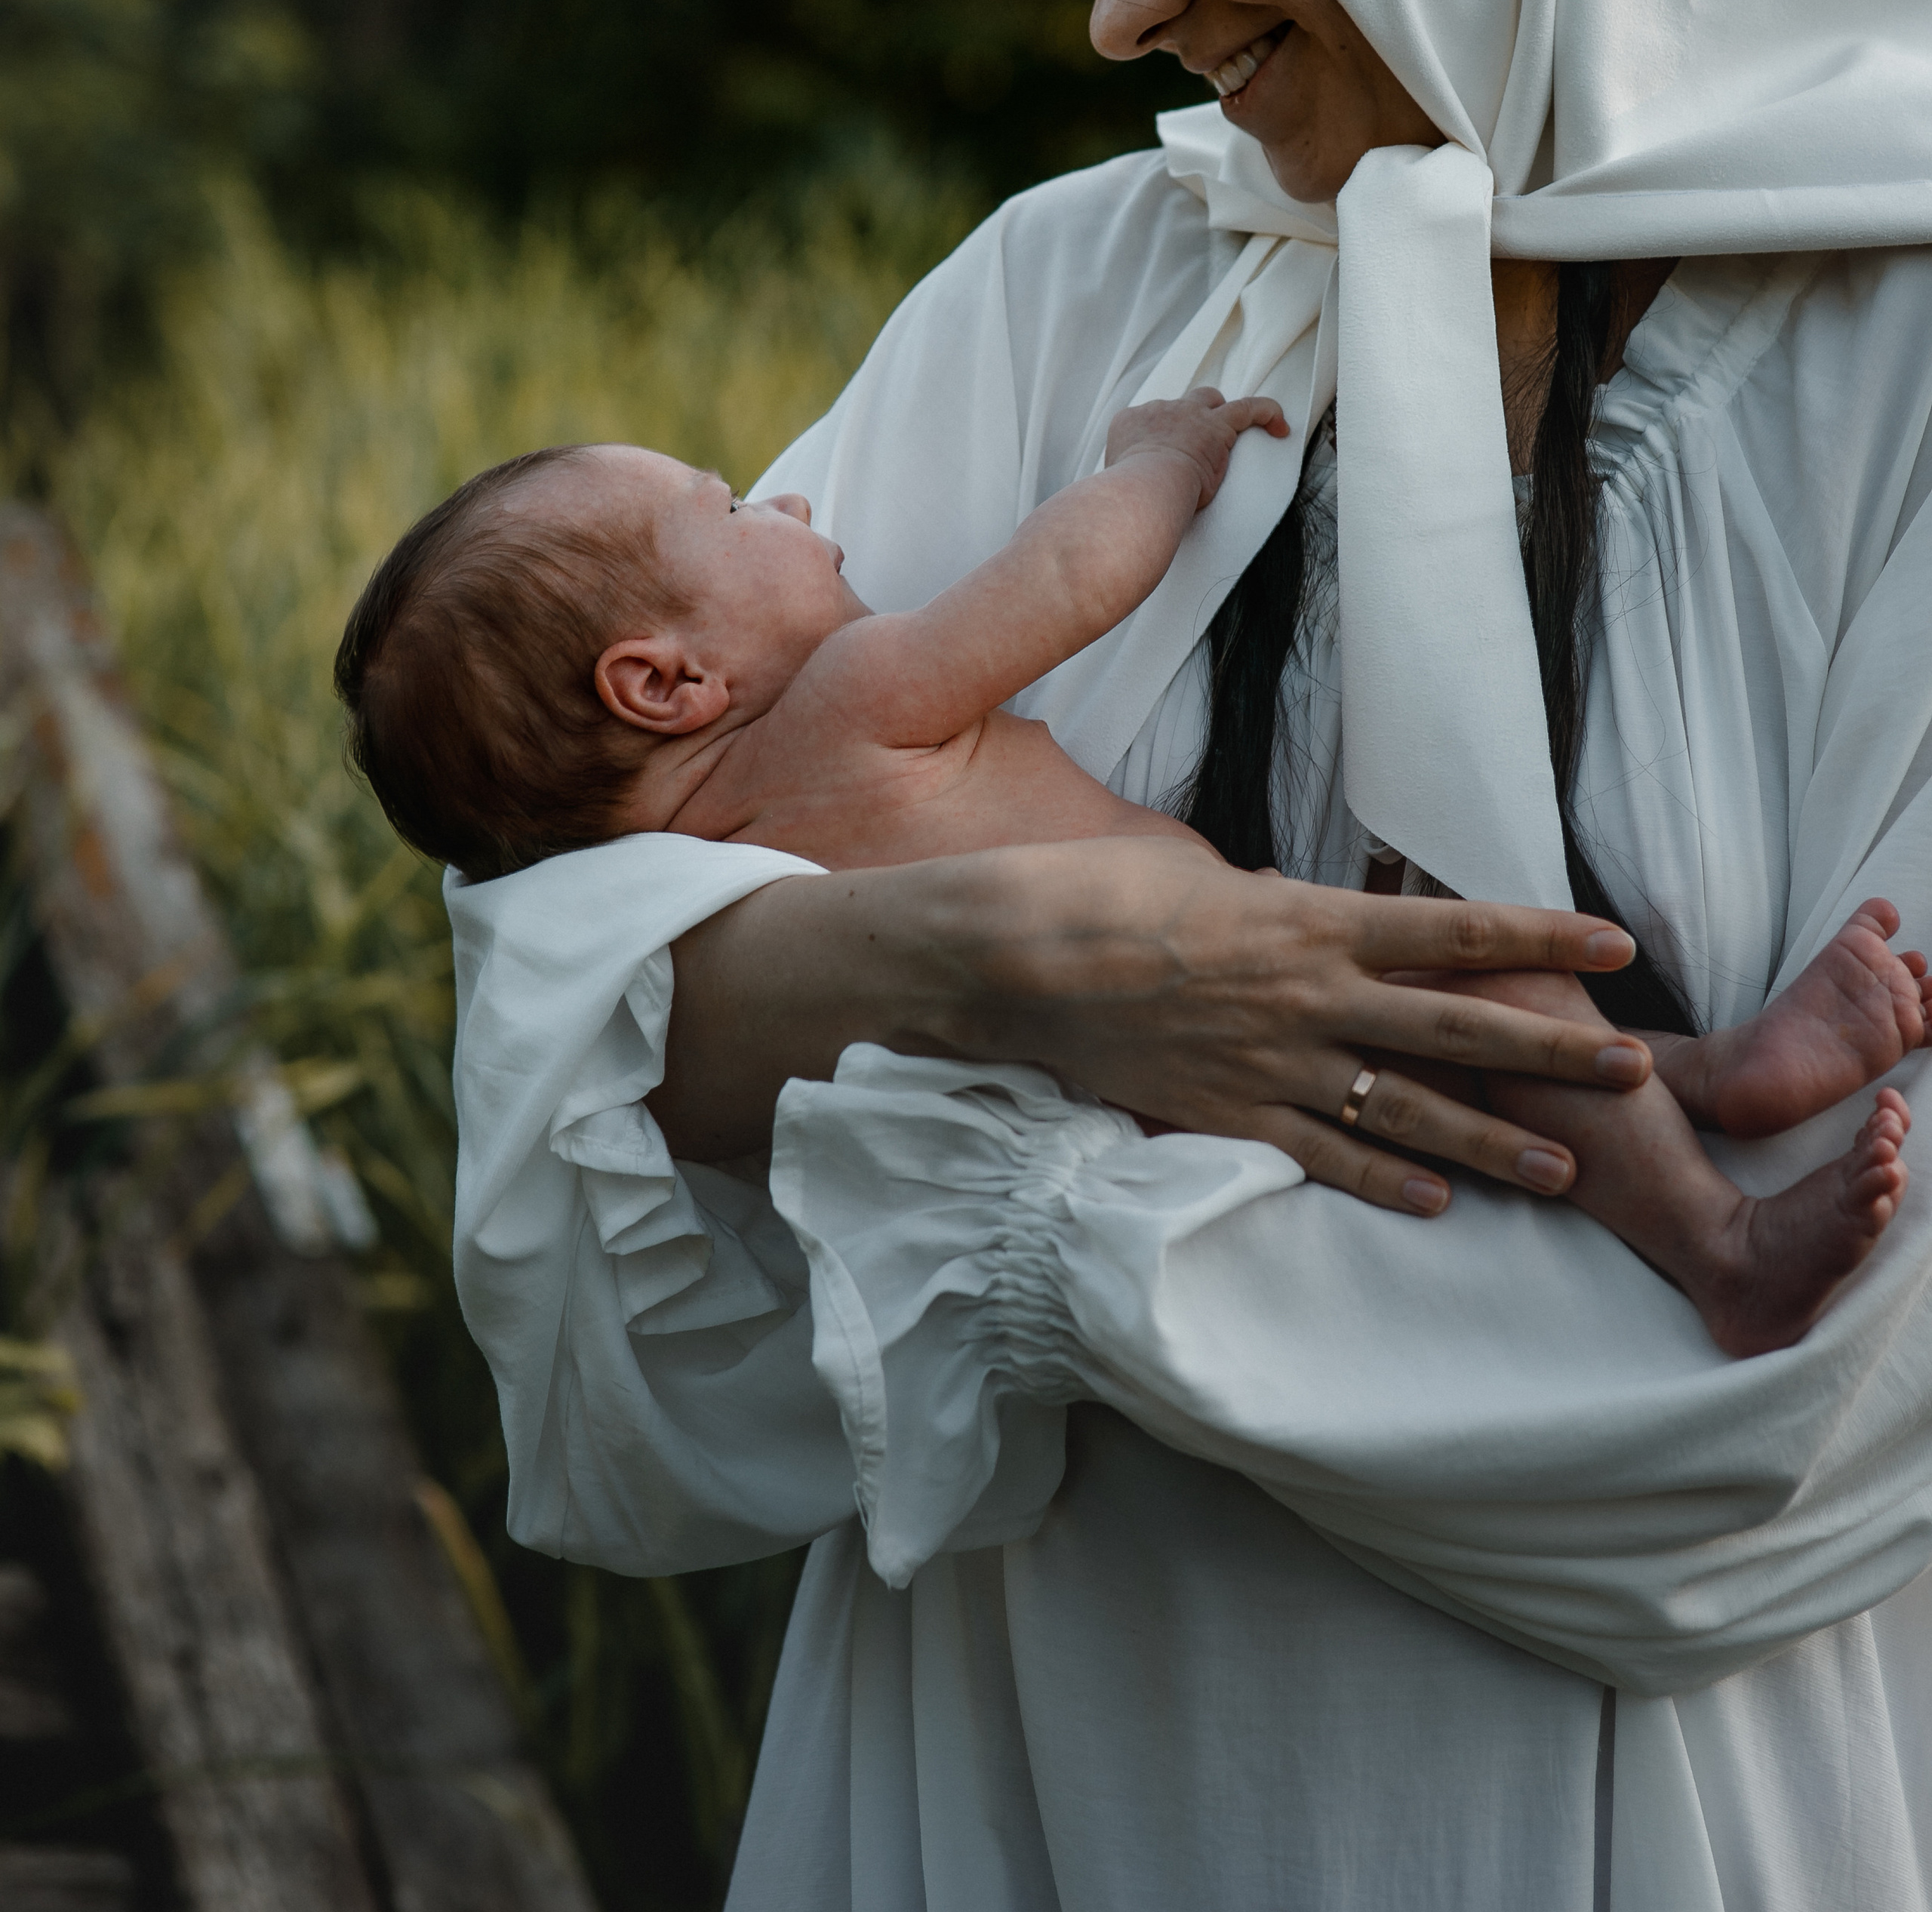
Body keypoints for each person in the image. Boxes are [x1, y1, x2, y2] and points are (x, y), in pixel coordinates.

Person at [447, 0, 1932, 1912]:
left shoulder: (1894, 359)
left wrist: (1028, 1227)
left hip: (1602, 1828)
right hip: (1022, 1772)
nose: (1120, 7)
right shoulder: (1086, 294)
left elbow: (1783, 1431)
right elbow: (563, 979)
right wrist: (989, 964)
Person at [345, 409, 1924, 1358]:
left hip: (1146, 1123)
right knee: (1486, 975)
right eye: (731, 507)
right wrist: (1155, 460)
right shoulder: (842, 701)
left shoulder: (699, 887)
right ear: (665, 683)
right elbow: (1068, 580)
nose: (796, 504)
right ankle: (1718, 1225)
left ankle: (1701, 1091)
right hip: (1235, 991)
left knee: (1458, 1042)